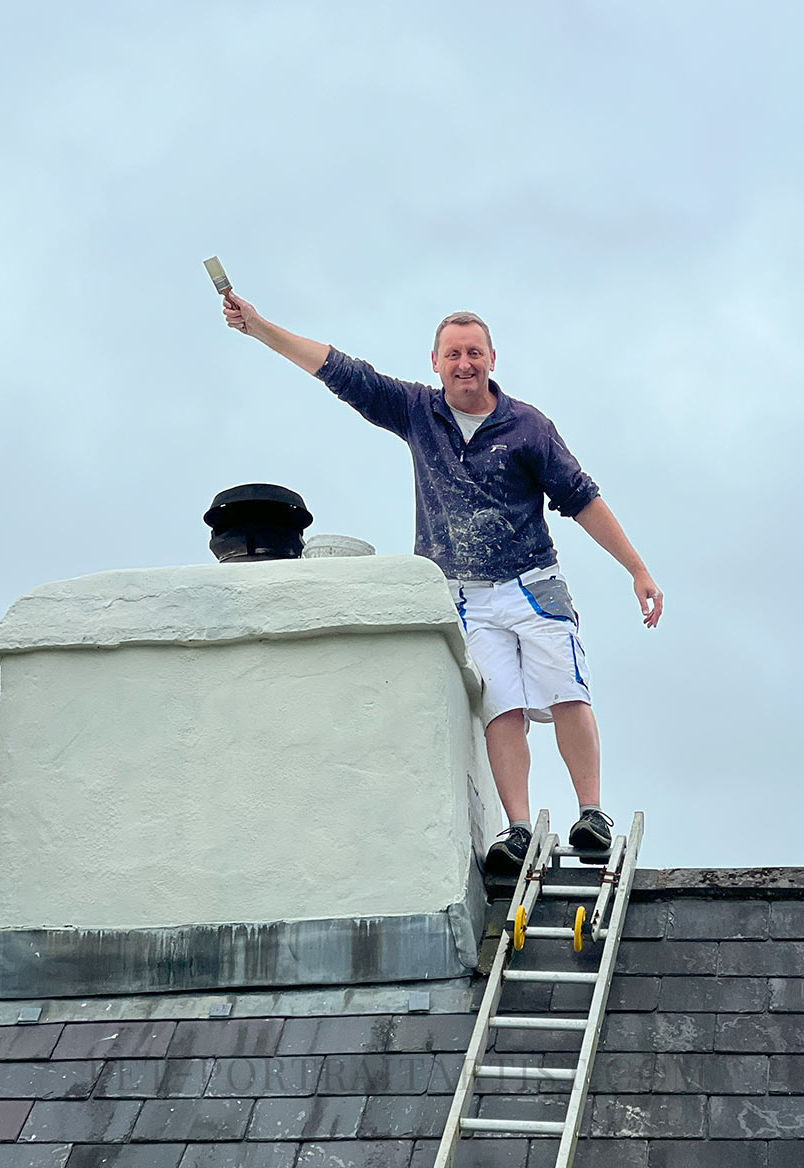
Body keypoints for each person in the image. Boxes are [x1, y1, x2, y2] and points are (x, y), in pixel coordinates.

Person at [220, 293, 663, 876]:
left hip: (532, 580)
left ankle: (592, 814)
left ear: (491, 358)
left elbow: (580, 496)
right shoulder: (416, 412)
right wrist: (258, 328)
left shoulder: (528, 428)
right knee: (500, 706)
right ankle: (520, 826)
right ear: (435, 362)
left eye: (473, 352)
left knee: (565, 686)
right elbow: (340, 370)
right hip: (464, 594)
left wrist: (636, 568)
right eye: (452, 354)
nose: (464, 364)